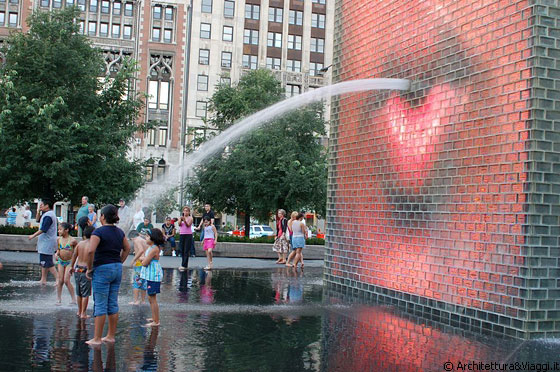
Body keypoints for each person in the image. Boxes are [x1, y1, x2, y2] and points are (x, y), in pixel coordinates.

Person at [85, 204, 131, 346]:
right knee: (112, 303)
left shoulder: (98, 232)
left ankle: (97, 338)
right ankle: (110, 336)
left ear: (103, 217)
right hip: (116, 268)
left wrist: (89, 268)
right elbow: (127, 248)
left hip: (102, 268)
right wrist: (119, 261)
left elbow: (90, 251)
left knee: (100, 303)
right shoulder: (120, 232)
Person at [28, 199, 58, 285]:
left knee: (48, 262)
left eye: (42, 205)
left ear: (47, 206)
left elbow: (43, 229)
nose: (40, 206)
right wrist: (38, 211)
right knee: (43, 262)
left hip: (47, 241)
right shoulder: (46, 214)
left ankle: (58, 278)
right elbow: (37, 220)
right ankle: (43, 279)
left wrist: (33, 235)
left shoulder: (49, 216)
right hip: (45, 242)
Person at [141, 228, 164, 327]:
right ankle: (154, 317)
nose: (145, 238)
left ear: (153, 238)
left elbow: (145, 263)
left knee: (152, 298)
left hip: (153, 276)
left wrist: (142, 260)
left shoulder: (154, 248)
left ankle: (156, 321)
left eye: (147, 236)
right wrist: (144, 259)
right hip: (150, 275)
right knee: (150, 297)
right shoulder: (151, 247)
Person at [71, 225, 94, 319]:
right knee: (86, 293)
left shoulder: (80, 244)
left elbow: (74, 255)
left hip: (77, 269)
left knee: (79, 292)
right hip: (85, 270)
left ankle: (79, 311)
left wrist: (71, 266)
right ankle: (83, 313)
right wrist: (90, 269)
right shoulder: (92, 245)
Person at [55, 222, 78, 305]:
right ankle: (58, 298)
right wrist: (57, 254)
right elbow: (58, 249)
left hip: (69, 262)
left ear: (67, 230)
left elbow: (76, 252)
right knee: (60, 280)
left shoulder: (73, 241)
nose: (59, 231)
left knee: (66, 280)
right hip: (61, 261)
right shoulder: (59, 239)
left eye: (60, 229)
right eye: (58, 230)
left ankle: (73, 299)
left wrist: (74, 264)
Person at [130, 234, 147, 305]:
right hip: (145, 262)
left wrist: (134, 260)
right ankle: (143, 301)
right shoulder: (144, 240)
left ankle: (136, 301)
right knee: (143, 283)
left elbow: (141, 250)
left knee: (136, 282)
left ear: (132, 238)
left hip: (139, 262)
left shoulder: (136, 240)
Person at [178, 206, 194, 271]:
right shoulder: (181, 217)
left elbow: (188, 225)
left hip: (188, 235)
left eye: (187, 211)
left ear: (189, 212)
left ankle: (184, 265)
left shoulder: (191, 218)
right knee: (182, 249)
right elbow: (179, 224)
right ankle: (184, 264)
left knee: (186, 250)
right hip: (182, 234)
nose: (185, 212)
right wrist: (180, 220)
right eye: (184, 211)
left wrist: (184, 220)